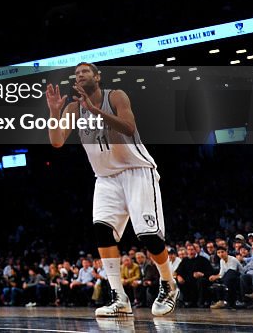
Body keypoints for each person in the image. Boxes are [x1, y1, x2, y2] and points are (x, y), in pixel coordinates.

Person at [45, 62, 179, 317]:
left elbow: (128, 128)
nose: (80, 74)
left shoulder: (115, 96)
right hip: (105, 178)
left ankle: (169, 285)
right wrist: (54, 113)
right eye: (76, 73)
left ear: (97, 76)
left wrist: (96, 110)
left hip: (136, 171)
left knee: (148, 236)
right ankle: (119, 297)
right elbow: (57, 141)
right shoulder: (73, 108)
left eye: (85, 71)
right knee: (102, 233)